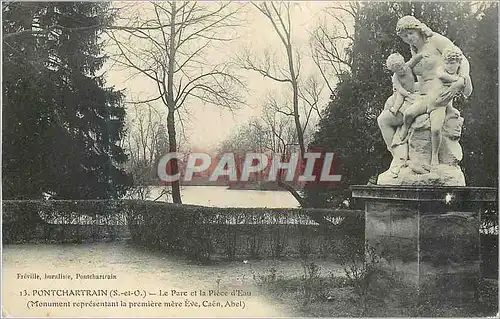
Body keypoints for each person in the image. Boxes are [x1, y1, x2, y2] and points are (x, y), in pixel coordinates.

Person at [377, 16, 473, 165]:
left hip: (438, 94)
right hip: (421, 94)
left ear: (418, 29)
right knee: (384, 117)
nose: (409, 38)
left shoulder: (435, 40)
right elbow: (419, 78)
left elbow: (462, 59)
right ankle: (400, 157)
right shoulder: (415, 50)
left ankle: (404, 160)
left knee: (387, 117)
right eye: (404, 36)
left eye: (410, 33)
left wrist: (461, 80)